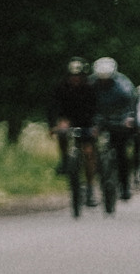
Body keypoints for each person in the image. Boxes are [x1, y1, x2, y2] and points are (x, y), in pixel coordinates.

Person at [55, 58, 102, 201]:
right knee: (62, 135)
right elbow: (54, 107)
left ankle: (89, 186)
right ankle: (64, 161)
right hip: (68, 121)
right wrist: (57, 123)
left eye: (78, 76)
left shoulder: (90, 89)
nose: (75, 79)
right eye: (72, 76)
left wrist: (95, 126)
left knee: (88, 153)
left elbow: (97, 109)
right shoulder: (61, 88)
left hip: (87, 123)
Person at [96, 57, 138, 198]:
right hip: (99, 120)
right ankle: (96, 178)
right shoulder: (92, 84)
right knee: (90, 147)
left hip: (119, 121)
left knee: (121, 153)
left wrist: (129, 118)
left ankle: (124, 186)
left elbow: (131, 104)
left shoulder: (123, 85)